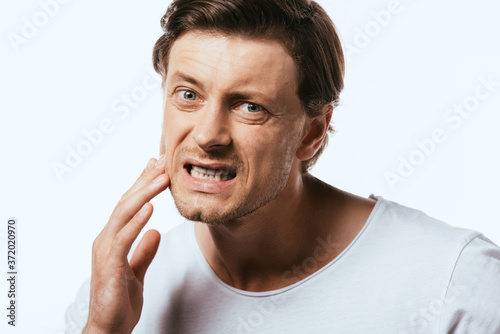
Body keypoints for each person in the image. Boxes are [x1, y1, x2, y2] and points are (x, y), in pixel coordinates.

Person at [65, 0, 500, 333]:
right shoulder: (121, 289)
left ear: (312, 133)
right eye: (189, 95)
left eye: (249, 106)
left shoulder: (456, 281)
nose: (207, 134)